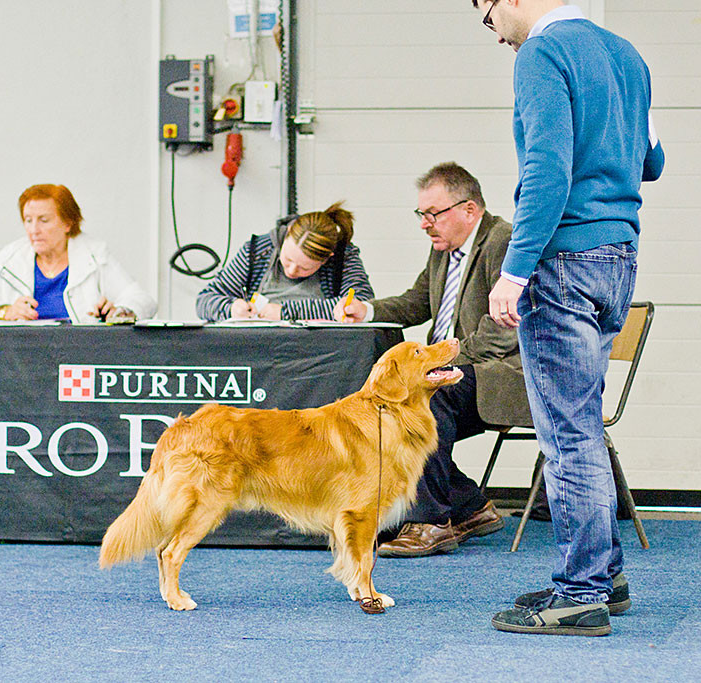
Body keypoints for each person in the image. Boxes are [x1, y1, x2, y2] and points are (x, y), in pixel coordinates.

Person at [472, 0, 665, 636]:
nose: (493, 31)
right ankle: (601, 574)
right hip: (619, 255)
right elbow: (652, 163)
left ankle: (580, 592)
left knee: (566, 432)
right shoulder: (627, 54)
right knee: (581, 421)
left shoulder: (542, 53)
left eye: (487, 13)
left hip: (563, 257)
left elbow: (546, 170)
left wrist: (514, 270)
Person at [336, 162, 532, 558]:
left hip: (506, 373)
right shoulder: (444, 249)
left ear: (469, 210)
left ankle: (432, 522)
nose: (424, 224)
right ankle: (469, 507)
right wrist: (367, 311)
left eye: (433, 214)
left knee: (422, 398)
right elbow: (416, 302)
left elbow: (504, 330)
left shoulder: (504, 242)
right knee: (383, 408)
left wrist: (440, 363)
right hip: (460, 368)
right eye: (421, 214)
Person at [0, 184, 157, 323]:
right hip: (23, 357)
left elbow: (143, 300)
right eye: (28, 220)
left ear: (67, 223)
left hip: (79, 355)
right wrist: (4, 311)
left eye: (44, 220)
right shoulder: (12, 257)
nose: (34, 230)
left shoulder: (95, 255)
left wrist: (120, 312)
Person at [196, 202, 373, 321]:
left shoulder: (344, 258)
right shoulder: (258, 250)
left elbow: (360, 305)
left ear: (327, 259)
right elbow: (205, 300)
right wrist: (231, 308)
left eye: (305, 268)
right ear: (287, 234)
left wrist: (286, 312)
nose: (291, 271)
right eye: (287, 260)